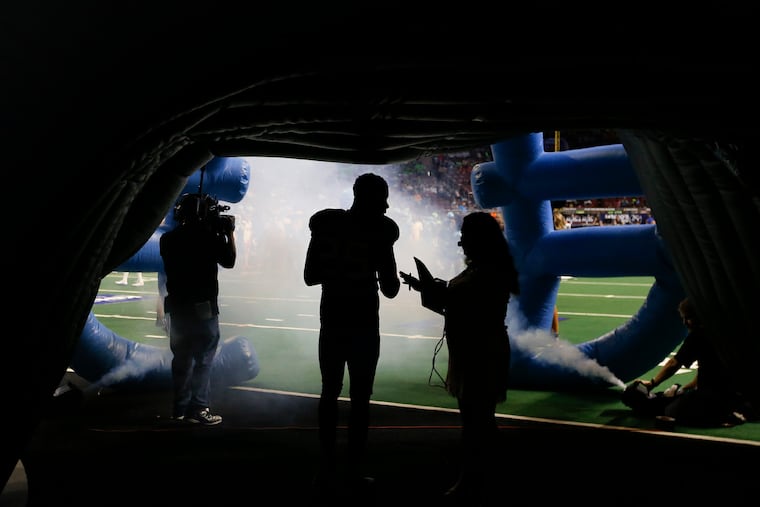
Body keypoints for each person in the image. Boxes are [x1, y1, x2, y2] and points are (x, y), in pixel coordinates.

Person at [400, 211, 520, 504]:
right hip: (474, 349)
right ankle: (494, 476)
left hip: (481, 351)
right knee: (481, 421)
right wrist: (424, 286)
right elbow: (456, 299)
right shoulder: (485, 267)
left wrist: (431, 289)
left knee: (474, 422)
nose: (461, 242)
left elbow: (461, 302)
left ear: (478, 239)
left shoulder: (487, 271)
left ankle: (471, 482)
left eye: (466, 236)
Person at [304, 173, 401, 495]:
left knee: (329, 392)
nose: (387, 205)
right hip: (362, 321)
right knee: (360, 398)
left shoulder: (326, 225)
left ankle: (326, 467)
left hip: (331, 316)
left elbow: (310, 276)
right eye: (383, 198)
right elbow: (390, 289)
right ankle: (354, 470)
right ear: (371, 198)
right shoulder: (380, 232)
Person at [159, 193, 236, 425]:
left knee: (181, 359)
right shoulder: (208, 237)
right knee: (203, 358)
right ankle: (200, 408)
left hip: (178, 307)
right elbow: (230, 261)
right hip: (203, 308)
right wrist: (229, 233)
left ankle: (179, 409)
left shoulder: (168, 239)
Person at [623, 297, 756, 427]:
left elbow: (674, 364)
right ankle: (738, 408)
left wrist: (652, 383)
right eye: (683, 318)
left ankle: (727, 415)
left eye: (688, 318)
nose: (685, 322)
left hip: (715, 397)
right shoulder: (725, 330)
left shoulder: (699, 335)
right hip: (737, 392)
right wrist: (686, 388)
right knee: (677, 399)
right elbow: (711, 370)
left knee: (671, 411)